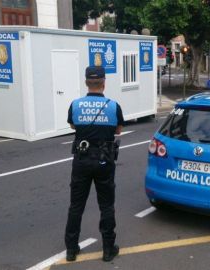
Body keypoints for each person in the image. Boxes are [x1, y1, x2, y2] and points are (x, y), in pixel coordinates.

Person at [64, 66, 124, 262]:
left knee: (76, 206)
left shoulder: (76, 104)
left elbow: (73, 125)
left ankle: (71, 250)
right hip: (105, 159)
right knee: (106, 205)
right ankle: (108, 249)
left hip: (81, 159)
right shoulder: (113, 106)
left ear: (86, 82)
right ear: (104, 82)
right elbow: (118, 131)